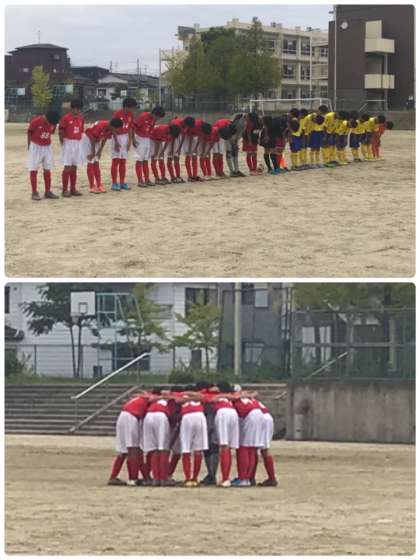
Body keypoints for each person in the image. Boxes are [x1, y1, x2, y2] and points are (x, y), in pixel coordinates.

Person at [108, 392, 150, 487]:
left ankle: (113, 476)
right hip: (131, 417)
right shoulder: (149, 398)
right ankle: (133, 478)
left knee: (124, 450)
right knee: (133, 449)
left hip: (123, 416)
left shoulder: (139, 398)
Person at [142, 388, 177, 486]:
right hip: (161, 415)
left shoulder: (153, 399)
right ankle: (163, 478)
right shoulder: (171, 400)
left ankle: (156, 478)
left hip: (149, 416)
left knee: (153, 449)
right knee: (163, 449)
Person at [80, 118, 123, 193]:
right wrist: (93, 152)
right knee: (91, 161)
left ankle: (99, 184)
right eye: (116, 129)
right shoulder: (100, 125)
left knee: (96, 162)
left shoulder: (111, 128)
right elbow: (92, 137)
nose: (117, 131)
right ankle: (92, 186)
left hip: (96, 140)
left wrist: (100, 150)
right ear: (113, 126)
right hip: (88, 139)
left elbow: (104, 138)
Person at [27, 109, 61, 200]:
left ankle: (47, 191)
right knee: (33, 169)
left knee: (47, 169)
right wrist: (29, 146)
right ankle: (34, 192)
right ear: (46, 117)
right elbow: (29, 132)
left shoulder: (53, 122)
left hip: (47, 147)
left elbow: (51, 132)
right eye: (49, 122)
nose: (51, 124)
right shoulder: (36, 121)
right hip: (35, 146)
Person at [132, 105, 165, 188]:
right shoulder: (143, 116)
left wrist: (149, 135)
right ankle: (140, 180)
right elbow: (133, 127)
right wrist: (133, 139)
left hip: (147, 139)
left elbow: (151, 128)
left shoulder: (154, 119)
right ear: (154, 113)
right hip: (139, 138)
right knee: (139, 160)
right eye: (158, 117)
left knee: (146, 160)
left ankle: (147, 179)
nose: (158, 119)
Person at [110, 97, 137, 191]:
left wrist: (130, 140)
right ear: (126, 107)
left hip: (125, 137)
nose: (133, 109)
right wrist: (116, 142)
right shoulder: (117, 114)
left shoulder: (131, 114)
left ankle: (122, 182)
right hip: (117, 137)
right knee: (115, 161)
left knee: (123, 161)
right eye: (132, 107)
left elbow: (130, 127)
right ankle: (114, 183)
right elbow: (112, 127)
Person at [58, 99, 84, 197]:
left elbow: (81, 131)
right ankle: (65, 190)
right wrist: (63, 143)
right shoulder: (66, 118)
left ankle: (73, 188)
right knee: (67, 166)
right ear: (72, 108)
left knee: (74, 166)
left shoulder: (81, 118)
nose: (78, 111)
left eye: (79, 109)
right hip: (68, 142)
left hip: (77, 143)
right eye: (76, 109)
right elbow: (61, 131)